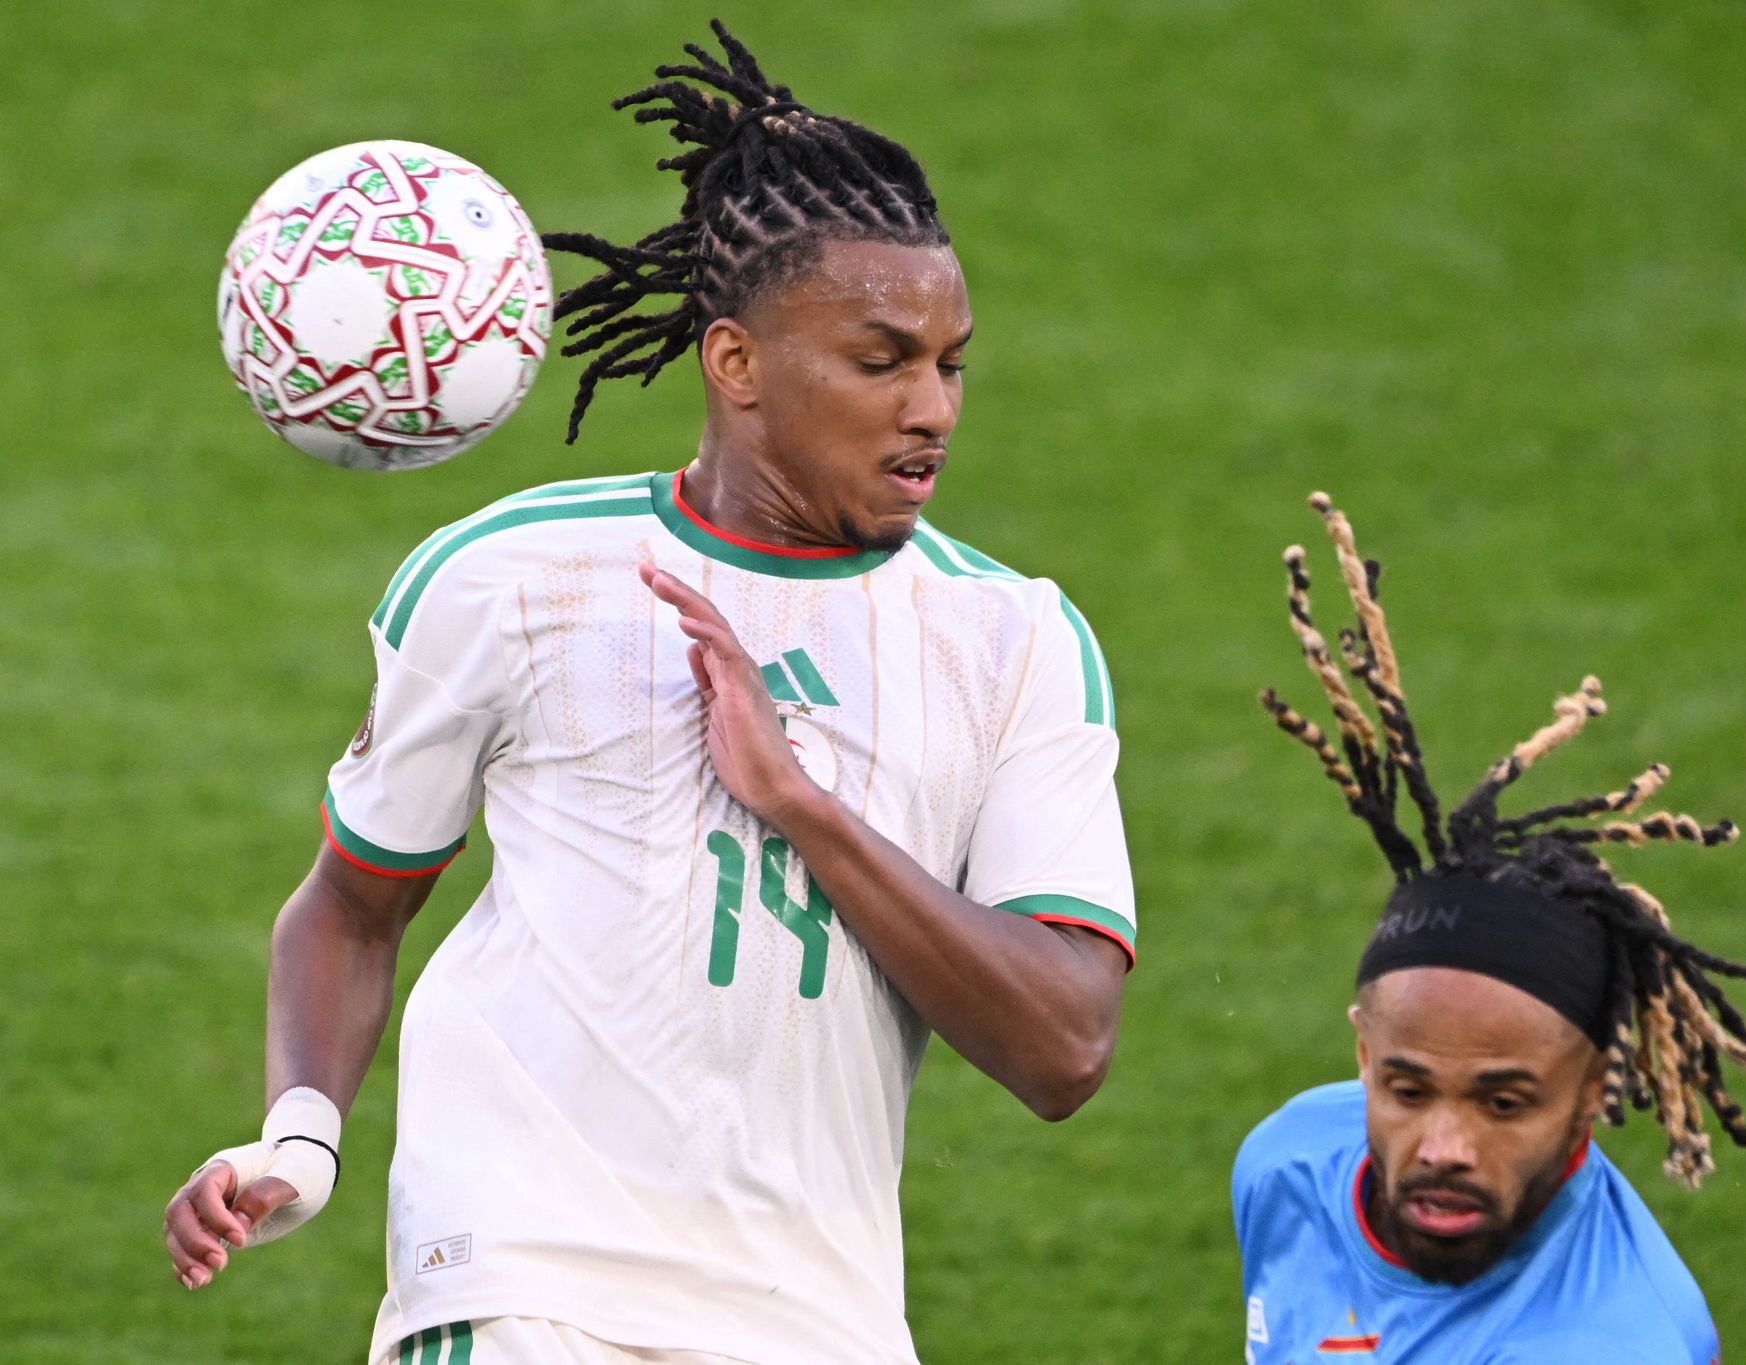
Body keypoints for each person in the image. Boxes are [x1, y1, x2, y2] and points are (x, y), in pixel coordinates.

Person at [161, 22, 1135, 1365]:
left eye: (949, 362)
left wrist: (801, 805)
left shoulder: (1012, 639)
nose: (933, 409)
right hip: (518, 1287)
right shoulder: (511, 577)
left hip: (818, 1323)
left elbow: (1065, 1046)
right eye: (881, 361)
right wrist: (300, 1141)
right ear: (736, 364)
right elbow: (353, 902)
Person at [1231, 493, 1746, 1364]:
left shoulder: (1611, 1342)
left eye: (1504, 1102)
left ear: (1592, 1090)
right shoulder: (1288, 1165)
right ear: (1363, 1055)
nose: (1443, 1149)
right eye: (1407, 1089)